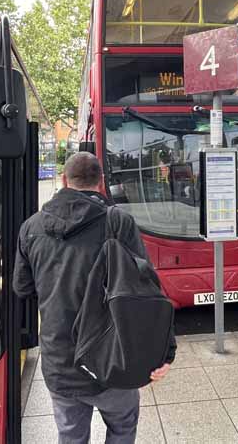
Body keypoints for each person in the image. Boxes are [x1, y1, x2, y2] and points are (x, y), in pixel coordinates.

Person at [14, 152, 176, 444]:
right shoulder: (119, 222)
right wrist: (165, 352)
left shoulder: (30, 228)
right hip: (113, 358)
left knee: (70, 435)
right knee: (123, 429)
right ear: (101, 184)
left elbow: (22, 289)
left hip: (60, 361)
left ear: (64, 180)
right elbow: (147, 290)